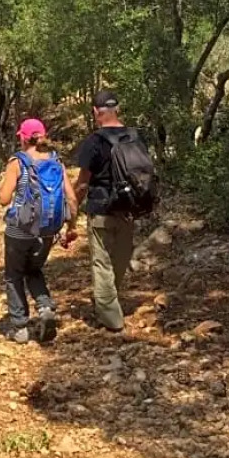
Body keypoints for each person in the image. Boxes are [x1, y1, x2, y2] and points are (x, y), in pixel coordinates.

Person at [73, 89, 154, 332]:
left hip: (101, 209)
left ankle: (110, 318)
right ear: (117, 109)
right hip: (129, 209)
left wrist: (74, 206)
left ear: (96, 112)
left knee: (102, 263)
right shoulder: (135, 137)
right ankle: (109, 300)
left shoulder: (95, 142)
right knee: (119, 260)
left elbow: (84, 182)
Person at [0, 118, 78, 344]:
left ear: (23, 138)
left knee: (14, 275)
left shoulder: (18, 162)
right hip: (47, 231)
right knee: (34, 270)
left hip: (19, 231)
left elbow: (4, 199)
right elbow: (71, 198)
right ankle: (44, 307)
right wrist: (71, 227)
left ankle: (20, 326)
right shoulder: (56, 161)